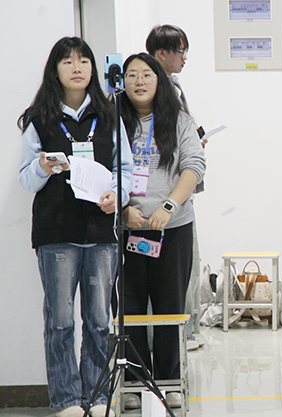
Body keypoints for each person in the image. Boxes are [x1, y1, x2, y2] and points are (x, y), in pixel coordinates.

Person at [18, 37, 133, 417]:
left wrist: (118, 195)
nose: (77, 67)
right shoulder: (39, 119)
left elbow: (125, 170)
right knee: (61, 321)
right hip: (56, 232)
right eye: (67, 61)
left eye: (83, 60)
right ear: (55, 70)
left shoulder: (110, 115)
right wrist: (41, 167)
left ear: (93, 69)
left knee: (99, 320)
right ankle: (66, 399)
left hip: (100, 232)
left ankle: (98, 396)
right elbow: (26, 179)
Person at [119, 53, 206, 408]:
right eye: (131, 75)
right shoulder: (112, 121)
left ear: (159, 80)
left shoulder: (179, 120)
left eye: (146, 75)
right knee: (131, 307)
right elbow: (100, 167)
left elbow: (194, 165)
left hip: (173, 227)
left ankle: (170, 380)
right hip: (128, 227)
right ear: (122, 82)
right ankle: (134, 383)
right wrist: (123, 210)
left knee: (170, 306)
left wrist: (169, 207)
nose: (139, 82)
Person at [146, 24, 206, 352]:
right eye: (181, 51)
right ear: (162, 54)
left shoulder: (175, 89)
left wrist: (193, 143)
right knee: (163, 289)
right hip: (152, 208)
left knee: (181, 279)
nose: (184, 58)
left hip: (176, 206)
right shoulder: (157, 96)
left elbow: (191, 161)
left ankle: (181, 341)